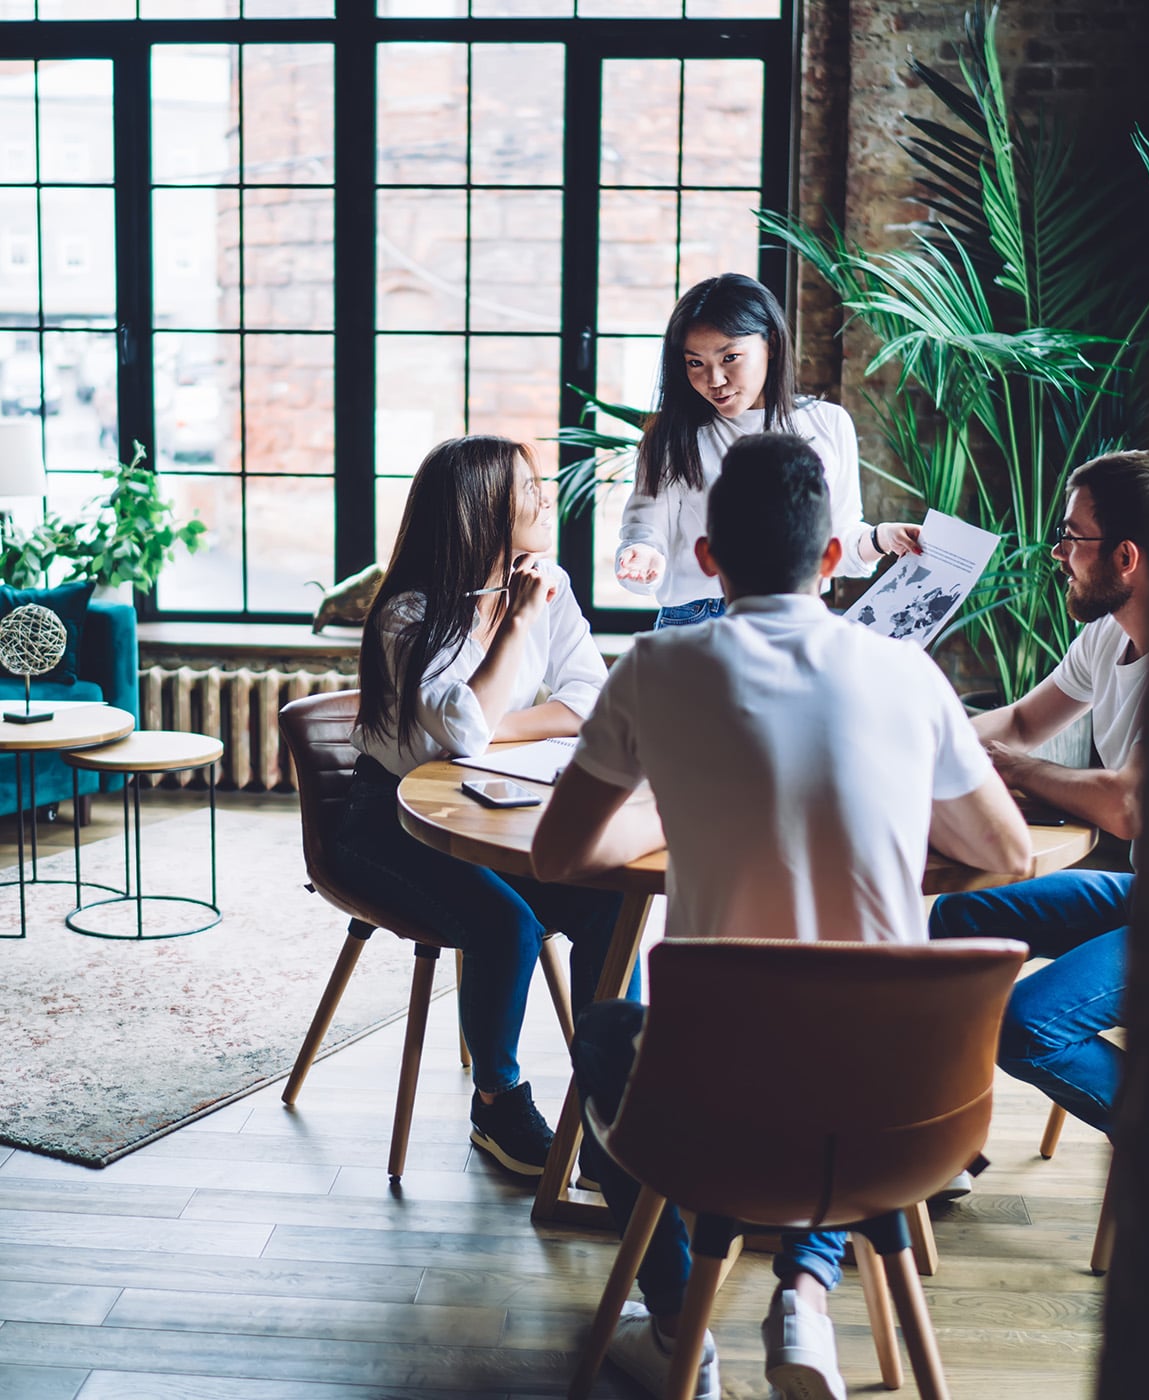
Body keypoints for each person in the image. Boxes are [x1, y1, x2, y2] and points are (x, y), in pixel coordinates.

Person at [533, 432, 1031, 1400]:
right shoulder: (906, 675)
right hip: (905, 1113)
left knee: (604, 1033)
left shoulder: (652, 668)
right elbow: (1003, 854)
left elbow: (559, 854)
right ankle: (803, 1288)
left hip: (706, 1105)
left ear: (706, 556)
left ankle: (681, 1325)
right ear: (832, 556)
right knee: (845, 1043)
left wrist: (666, 805)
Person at [334, 435, 634, 1180]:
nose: (544, 497)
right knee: (508, 925)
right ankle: (497, 1103)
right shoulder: (408, 614)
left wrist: (487, 727)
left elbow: (591, 699)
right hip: (388, 820)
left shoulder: (548, 581)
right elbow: (465, 731)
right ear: (479, 513)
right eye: (528, 487)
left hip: (483, 806)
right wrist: (519, 626)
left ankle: (613, 1106)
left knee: (610, 902)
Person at [928, 449, 1149, 1141]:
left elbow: (1127, 804)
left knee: (1027, 1028)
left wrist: (1014, 770)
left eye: (1071, 536)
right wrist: (935, 742)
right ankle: (931, 1141)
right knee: (951, 924)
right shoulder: (1106, 638)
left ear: (1124, 556)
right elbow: (1025, 722)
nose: (1058, 551)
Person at [615, 272, 922, 627]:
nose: (714, 380)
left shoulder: (827, 423)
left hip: (797, 619)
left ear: (771, 344)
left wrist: (880, 538)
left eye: (730, 357)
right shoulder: (672, 437)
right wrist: (642, 558)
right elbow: (643, 534)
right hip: (697, 619)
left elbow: (833, 544)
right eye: (695, 363)